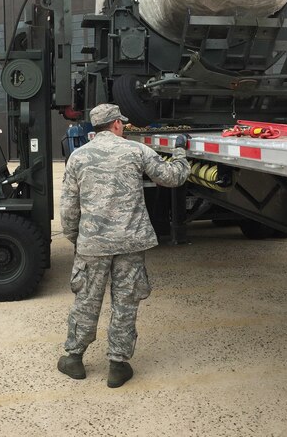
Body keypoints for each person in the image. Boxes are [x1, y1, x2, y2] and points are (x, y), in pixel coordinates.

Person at [57, 103, 190, 388]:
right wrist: (180, 151)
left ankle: (74, 359)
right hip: (131, 242)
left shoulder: (78, 157)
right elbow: (173, 178)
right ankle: (118, 364)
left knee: (86, 301)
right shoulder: (136, 151)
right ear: (117, 124)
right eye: (122, 123)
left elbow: (68, 208)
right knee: (125, 304)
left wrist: (76, 238)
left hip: (93, 244)